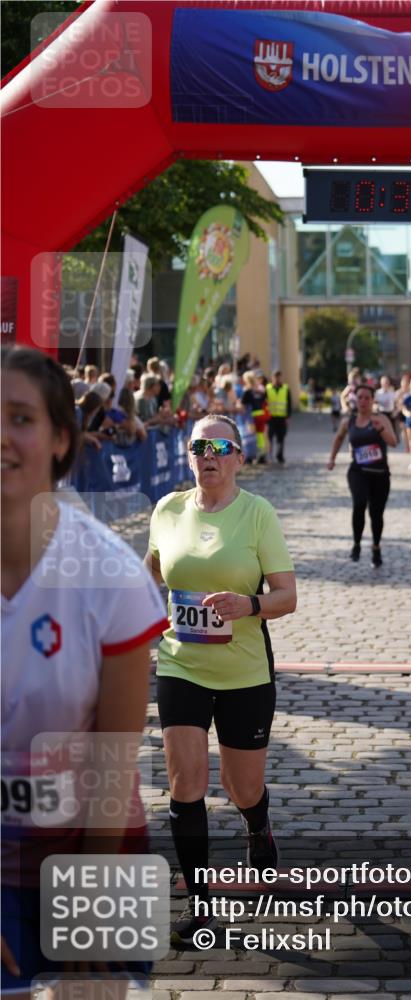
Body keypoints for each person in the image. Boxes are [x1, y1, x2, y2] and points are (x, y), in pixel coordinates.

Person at [1, 346, 167, 996]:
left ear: (62, 439)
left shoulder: (109, 573)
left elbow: (114, 755)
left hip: (97, 842)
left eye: (20, 418)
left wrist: (93, 894)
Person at [145, 414, 296, 945]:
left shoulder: (257, 514)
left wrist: (247, 604)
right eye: (198, 446)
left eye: (219, 446)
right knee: (186, 782)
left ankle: (257, 824)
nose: (208, 455)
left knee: (241, 785)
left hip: (245, 673)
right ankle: (201, 907)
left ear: (237, 457)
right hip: (180, 664)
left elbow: (287, 596)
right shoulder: (167, 509)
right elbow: (153, 574)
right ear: (189, 455)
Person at [327, 384, 397, 567]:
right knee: (359, 503)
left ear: (373, 400)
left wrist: (381, 429)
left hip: (380, 473)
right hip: (357, 471)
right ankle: (356, 544)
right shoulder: (348, 421)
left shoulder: (381, 419)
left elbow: (394, 442)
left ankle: (376, 546)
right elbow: (339, 438)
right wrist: (332, 459)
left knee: (376, 513)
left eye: (367, 398)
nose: (364, 401)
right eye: (360, 398)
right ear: (355, 400)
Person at [266, 370, 291, 464]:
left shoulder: (285, 388)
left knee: (281, 438)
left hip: (282, 417)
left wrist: (288, 416)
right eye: (276, 377)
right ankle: (270, 455)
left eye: (279, 377)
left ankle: (280, 455)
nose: (277, 379)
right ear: (272, 378)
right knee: (270, 437)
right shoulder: (268, 388)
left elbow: (289, 403)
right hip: (270, 417)